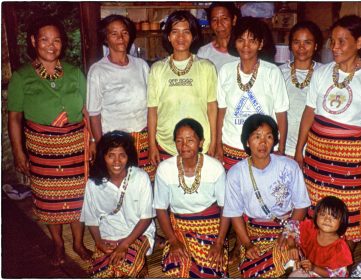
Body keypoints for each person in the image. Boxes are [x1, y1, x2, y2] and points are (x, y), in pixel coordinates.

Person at [295, 15, 361, 249]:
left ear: (359, 43)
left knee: (347, 213)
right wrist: (299, 151)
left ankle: (341, 265)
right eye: (332, 41)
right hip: (317, 158)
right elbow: (309, 114)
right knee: (317, 209)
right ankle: (315, 259)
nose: (334, 47)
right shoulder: (322, 73)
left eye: (341, 41)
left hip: (351, 161)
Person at [7, 16, 92, 266]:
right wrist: (18, 152)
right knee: (48, 199)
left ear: (63, 44)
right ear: (34, 42)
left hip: (75, 146)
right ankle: (58, 243)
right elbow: (14, 119)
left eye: (56, 40)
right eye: (44, 39)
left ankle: (77, 243)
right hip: (42, 149)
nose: (51, 45)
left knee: (79, 197)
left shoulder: (75, 73)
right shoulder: (22, 77)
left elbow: (88, 111)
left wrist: (94, 141)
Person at [223, 114, 311, 278]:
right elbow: (234, 213)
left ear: (274, 141)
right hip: (254, 233)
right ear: (247, 141)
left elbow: (301, 205)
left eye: (268, 136)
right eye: (257, 136)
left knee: (291, 261)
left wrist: (288, 234)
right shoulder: (236, 173)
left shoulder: (289, 166)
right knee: (253, 270)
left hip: (287, 229)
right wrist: (247, 245)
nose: (263, 142)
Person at [153, 118, 229, 278]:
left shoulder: (215, 168)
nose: (184, 145)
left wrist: (220, 243)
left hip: (210, 225)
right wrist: (173, 241)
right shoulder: (165, 169)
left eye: (190, 140)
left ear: (201, 142)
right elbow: (160, 208)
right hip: (179, 226)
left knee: (212, 266)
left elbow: (225, 207)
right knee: (175, 267)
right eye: (179, 141)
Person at [216, 16, 289, 171]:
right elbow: (221, 112)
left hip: (264, 148)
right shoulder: (226, 71)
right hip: (231, 147)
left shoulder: (272, 72)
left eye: (252, 40)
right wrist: (218, 145)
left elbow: (281, 115)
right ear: (235, 42)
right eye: (241, 40)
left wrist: (280, 149)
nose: (246, 46)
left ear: (261, 44)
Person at [87, 15, 155, 180]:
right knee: (118, 186)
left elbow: (151, 105)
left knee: (143, 186)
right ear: (105, 38)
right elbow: (94, 113)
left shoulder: (141, 66)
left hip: (142, 138)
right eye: (114, 34)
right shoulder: (98, 71)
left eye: (124, 33)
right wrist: (99, 143)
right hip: (114, 144)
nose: (120, 38)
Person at [147, 10, 218, 167]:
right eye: (175, 32)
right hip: (166, 144)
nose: (180, 37)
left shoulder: (206, 67)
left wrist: (213, 141)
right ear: (168, 36)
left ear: (193, 36)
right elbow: (152, 109)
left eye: (186, 32)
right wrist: (152, 145)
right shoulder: (157, 69)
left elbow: (212, 107)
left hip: (199, 144)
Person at [81, 131, 156, 278]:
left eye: (122, 155)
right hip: (108, 235)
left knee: (125, 271)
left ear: (128, 157)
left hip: (138, 233)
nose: (117, 161)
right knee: (103, 274)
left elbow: (146, 218)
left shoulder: (140, 177)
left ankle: (139, 261)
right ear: (103, 157)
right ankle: (139, 264)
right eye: (111, 155)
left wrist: (125, 244)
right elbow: (91, 219)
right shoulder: (93, 183)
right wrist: (99, 242)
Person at [279, 21, 323, 157]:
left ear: (316, 45)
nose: (301, 47)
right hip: (283, 148)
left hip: (314, 149)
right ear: (290, 45)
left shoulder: (324, 73)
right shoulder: (279, 72)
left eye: (307, 42)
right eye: (297, 42)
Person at [285, 196, 353, 277]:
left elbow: (336, 275)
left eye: (334, 217)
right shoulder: (309, 228)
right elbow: (291, 227)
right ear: (316, 215)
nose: (327, 219)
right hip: (303, 268)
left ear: (342, 221)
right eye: (323, 214)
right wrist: (292, 245)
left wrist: (313, 268)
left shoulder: (340, 248)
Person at [197, 2, 241, 72]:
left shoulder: (244, 51)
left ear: (234, 20)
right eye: (214, 20)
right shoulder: (204, 53)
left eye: (224, 18)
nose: (219, 24)